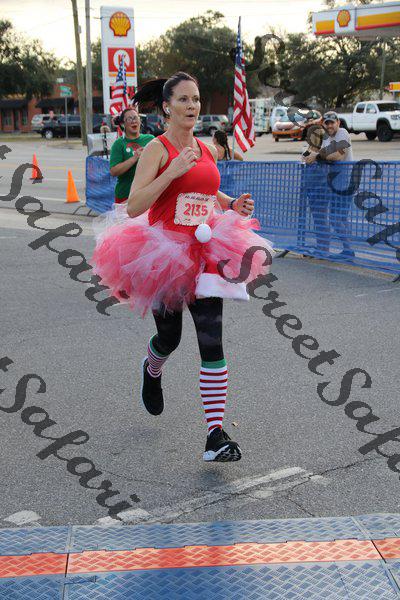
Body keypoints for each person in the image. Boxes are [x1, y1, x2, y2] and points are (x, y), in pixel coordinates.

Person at [91, 72, 273, 463]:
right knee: (169, 338)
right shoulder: (156, 149)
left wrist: (230, 204)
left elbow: (205, 191)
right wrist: (171, 171)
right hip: (164, 255)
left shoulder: (206, 149)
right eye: (184, 100)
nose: (192, 106)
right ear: (166, 107)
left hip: (205, 252)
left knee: (212, 340)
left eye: (196, 99)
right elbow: (135, 206)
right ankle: (152, 368)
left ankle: (215, 435)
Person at [304, 111, 354, 259]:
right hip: (333, 182)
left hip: (344, 182)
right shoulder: (325, 138)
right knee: (339, 218)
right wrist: (311, 153)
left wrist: (317, 156)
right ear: (323, 124)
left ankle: (349, 250)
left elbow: (338, 155)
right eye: (327, 123)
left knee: (336, 218)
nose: (330, 125)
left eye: (332, 122)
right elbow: (306, 155)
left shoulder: (343, 133)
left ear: (338, 122)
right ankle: (345, 250)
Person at [109, 108, 154, 204]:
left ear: (140, 121)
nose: (133, 121)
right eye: (129, 119)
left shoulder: (150, 139)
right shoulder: (119, 144)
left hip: (148, 194)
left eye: (135, 118)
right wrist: (135, 157)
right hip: (125, 195)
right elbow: (113, 171)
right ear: (123, 124)